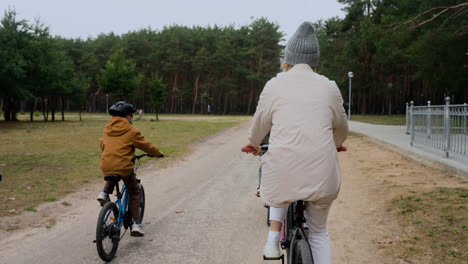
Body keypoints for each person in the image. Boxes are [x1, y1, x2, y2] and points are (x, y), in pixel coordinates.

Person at [243, 22, 348, 264]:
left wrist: (253, 143)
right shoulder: (329, 86)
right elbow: (341, 126)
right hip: (322, 175)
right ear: (314, 60)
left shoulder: (275, 84)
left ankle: (271, 242)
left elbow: (260, 123)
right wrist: (337, 142)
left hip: (284, 171)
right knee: (319, 232)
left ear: (288, 58)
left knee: (279, 177)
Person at [97, 101, 164, 237]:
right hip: (124, 166)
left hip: (106, 164)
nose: (131, 118)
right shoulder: (131, 130)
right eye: (131, 115)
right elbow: (146, 145)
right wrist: (158, 153)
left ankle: (104, 193)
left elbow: (102, 144)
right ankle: (135, 224)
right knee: (134, 191)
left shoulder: (107, 129)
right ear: (127, 116)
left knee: (113, 170)